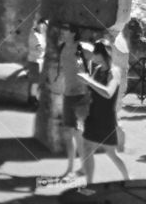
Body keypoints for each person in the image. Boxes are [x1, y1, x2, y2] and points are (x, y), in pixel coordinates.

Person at [77, 39, 128, 185]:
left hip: (105, 118)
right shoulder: (98, 69)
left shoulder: (114, 72)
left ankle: (127, 179)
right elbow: (92, 90)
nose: (92, 56)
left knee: (111, 153)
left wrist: (88, 81)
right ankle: (89, 183)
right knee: (87, 149)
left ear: (102, 54)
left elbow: (108, 93)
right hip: (93, 115)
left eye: (95, 53)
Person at [55, 24, 89, 179]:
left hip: (80, 96)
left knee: (78, 133)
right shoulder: (62, 48)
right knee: (68, 133)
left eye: (66, 29)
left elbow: (85, 67)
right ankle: (70, 168)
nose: (62, 31)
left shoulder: (81, 48)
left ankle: (83, 167)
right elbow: (63, 70)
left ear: (73, 32)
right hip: (67, 95)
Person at [27, 19, 47, 107]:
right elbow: (40, 48)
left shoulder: (41, 34)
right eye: (43, 24)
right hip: (34, 61)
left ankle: (34, 98)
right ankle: (32, 99)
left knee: (36, 81)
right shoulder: (34, 35)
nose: (45, 26)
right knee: (35, 81)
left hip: (39, 61)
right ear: (39, 24)